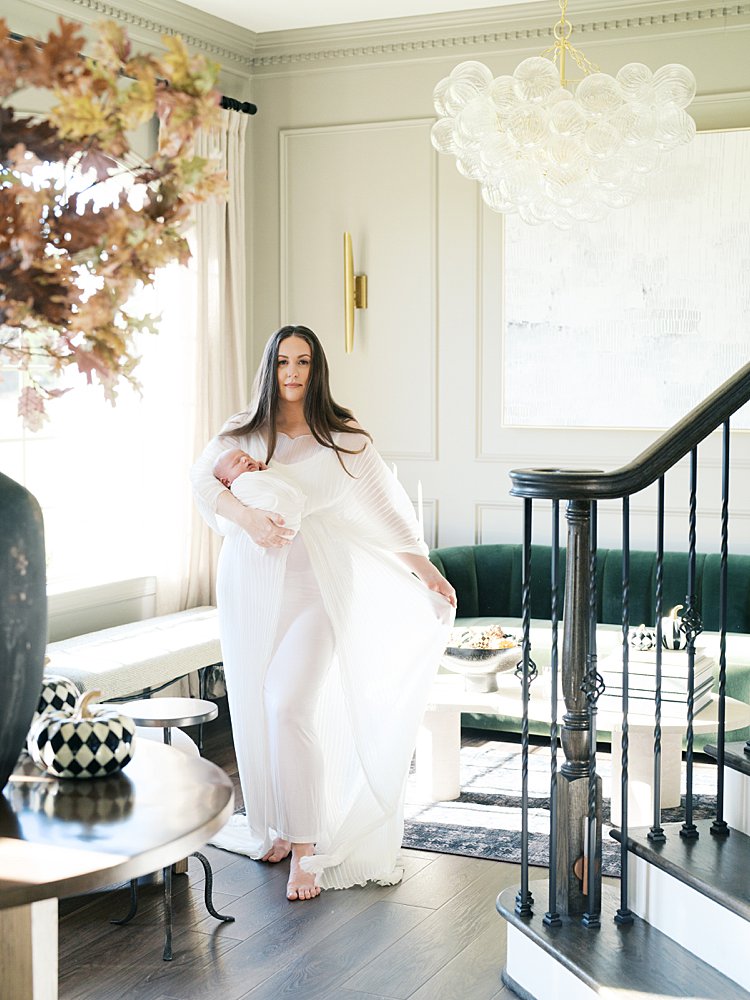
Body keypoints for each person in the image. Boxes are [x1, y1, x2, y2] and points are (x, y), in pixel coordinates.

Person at [191, 324, 456, 902]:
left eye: (303, 362)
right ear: (270, 368)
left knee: (290, 701)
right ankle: (279, 828)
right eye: (283, 361)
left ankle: (308, 848)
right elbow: (202, 484)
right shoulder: (243, 432)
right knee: (261, 707)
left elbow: (386, 509)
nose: (292, 372)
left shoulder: (344, 438)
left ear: (317, 369)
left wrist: (427, 570)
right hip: (250, 589)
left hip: (319, 587)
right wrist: (247, 516)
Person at [212, 447, 306, 535]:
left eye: (247, 456)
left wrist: (269, 472)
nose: (245, 459)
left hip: (288, 523)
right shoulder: (237, 487)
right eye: (237, 462)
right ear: (226, 481)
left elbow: (287, 487)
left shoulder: (264, 476)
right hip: (271, 525)